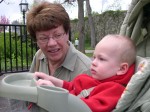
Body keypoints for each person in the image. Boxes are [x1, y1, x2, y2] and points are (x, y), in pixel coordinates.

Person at [34, 34, 136, 112]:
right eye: (94, 57)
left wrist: (54, 92)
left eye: (101, 59)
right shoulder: (96, 79)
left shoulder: (114, 90)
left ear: (122, 69)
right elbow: (70, 86)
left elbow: (85, 108)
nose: (93, 63)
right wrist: (51, 79)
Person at [25, 1, 92, 111]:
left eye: (57, 35)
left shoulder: (86, 70)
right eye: (43, 38)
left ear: (67, 34)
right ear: (36, 40)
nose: (51, 43)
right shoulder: (39, 56)